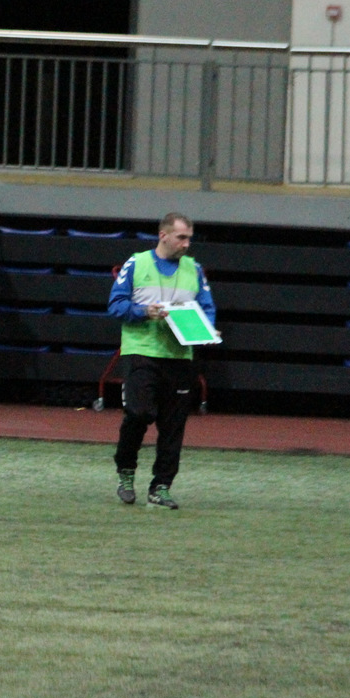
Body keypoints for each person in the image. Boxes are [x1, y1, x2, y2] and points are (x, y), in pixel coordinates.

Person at [107, 212, 216, 510]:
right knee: (138, 414)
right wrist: (144, 311)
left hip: (179, 356)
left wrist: (207, 330)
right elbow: (116, 305)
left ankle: (161, 487)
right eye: (181, 237)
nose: (187, 244)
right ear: (163, 235)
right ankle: (126, 471)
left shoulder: (194, 269)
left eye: (189, 238)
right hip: (141, 351)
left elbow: (207, 308)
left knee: (173, 426)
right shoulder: (137, 263)